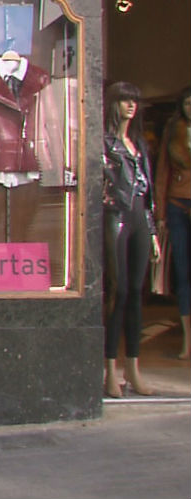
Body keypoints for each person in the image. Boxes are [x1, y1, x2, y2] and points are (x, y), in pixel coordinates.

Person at [101, 81, 160, 397]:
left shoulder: (138, 143)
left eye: (134, 100)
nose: (130, 105)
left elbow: (147, 190)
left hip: (139, 217)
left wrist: (152, 232)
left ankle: (133, 368)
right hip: (116, 216)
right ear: (113, 104)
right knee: (119, 291)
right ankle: (110, 368)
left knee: (137, 292)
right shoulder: (105, 144)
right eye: (124, 100)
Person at [154, 85, 191, 360]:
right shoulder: (172, 131)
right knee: (182, 271)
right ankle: (187, 341)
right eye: (187, 104)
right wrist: (161, 214)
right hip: (178, 205)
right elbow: (163, 172)